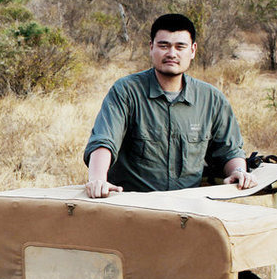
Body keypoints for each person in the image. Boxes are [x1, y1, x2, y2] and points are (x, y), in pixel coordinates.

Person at [83, 13, 257, 198]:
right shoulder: (126, 91)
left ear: (193, 50)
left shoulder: (211, 99)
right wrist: (98, 178)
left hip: (188, 208)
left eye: (180, 46)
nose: (171, 54)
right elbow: (104, 140)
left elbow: (229, 151)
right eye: (163, 45)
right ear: (151, 47)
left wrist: (238, 170)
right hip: (133, 205)